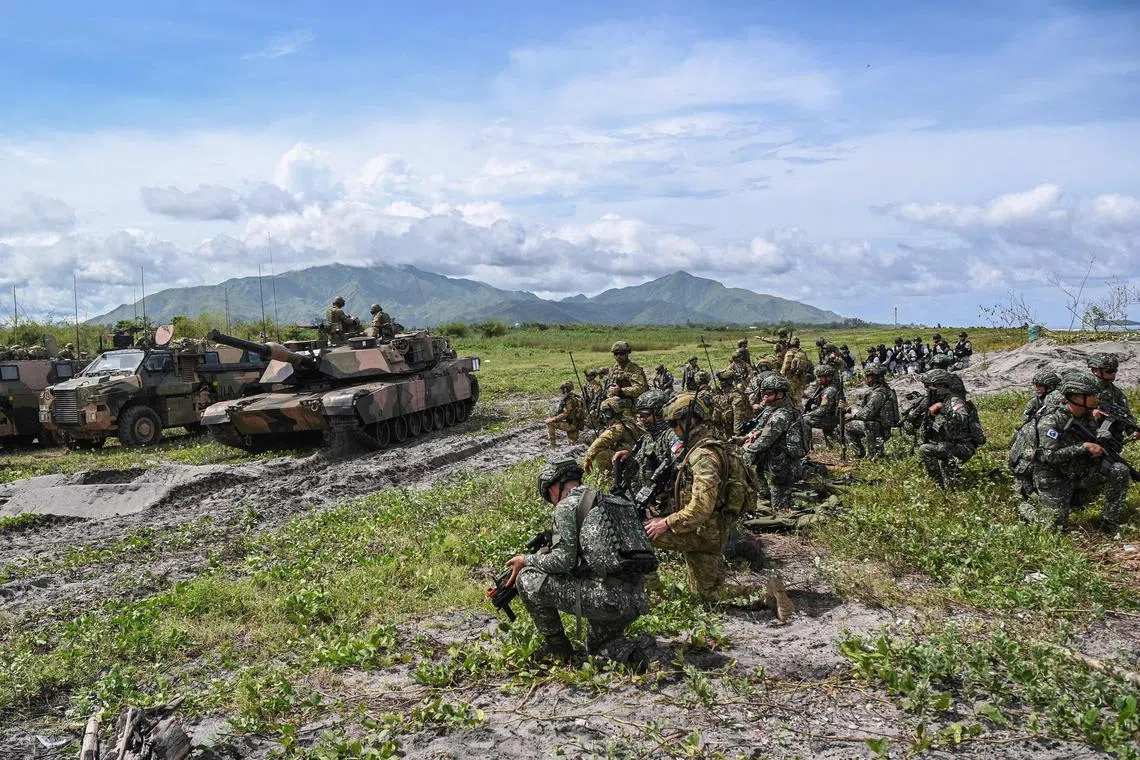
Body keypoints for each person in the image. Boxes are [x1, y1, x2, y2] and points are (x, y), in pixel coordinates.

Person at [644, 394, 789, 613]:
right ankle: (765, 593)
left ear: (689, 421)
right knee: (708, 594)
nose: (672, 430)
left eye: (674, 424)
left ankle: (652, 600)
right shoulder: (712, 443)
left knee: (638, 534)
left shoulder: (703, 455)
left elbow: (701, 507)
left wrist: (665, 523)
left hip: (702, 531)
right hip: (713, 529)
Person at [503, 458, 649, 666]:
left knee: (528, 579)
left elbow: (563, 561)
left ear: (553, 488)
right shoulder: (610, 500)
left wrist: (527, 559)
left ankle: (558, 650)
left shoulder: (566, 506)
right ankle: (631, 655)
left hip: (606, 599)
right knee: (599, 646)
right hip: (635, 599)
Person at [1025, 373, 1130, 531]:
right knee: (1053, 527)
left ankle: (1109, 521)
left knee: (1119, 470)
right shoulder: (1051, 421)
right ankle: (1025, 507)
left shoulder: (1086, 416)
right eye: (1092, 395)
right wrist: (1084, 447)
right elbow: (1049, 456)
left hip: (1078, 470)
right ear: (1077, 398)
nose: (1097, 398)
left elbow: (1093, 438)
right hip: (1054, 476)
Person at [741, 374, 809, 511]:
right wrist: (746, 437)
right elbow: (760, 428)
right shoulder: (772, 409)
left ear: (781, 394)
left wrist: (747, 451)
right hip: (776, 459)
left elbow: (765, 440)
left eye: (769, 394)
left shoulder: (781, 415)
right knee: (756, 467)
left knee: (780, 508)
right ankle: (765, 494)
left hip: (782, 465)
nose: (765, 397)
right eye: (764, 394)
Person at [912, 369, 982, 489]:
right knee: (952, 485)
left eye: (929, 387)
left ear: (940, 385)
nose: (927, 391)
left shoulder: (954, 401)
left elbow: (961, 419)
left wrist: (942, 408)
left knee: (925, 450)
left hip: (963, 446)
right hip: (949, 444)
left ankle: (937, 486)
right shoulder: (936, 400)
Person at [613, 390, 678, 515]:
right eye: (639, 415)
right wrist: (629, 456)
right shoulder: (647, 438)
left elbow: (678, 469)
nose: (641, 419)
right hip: (647, 502)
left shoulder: (671, 436)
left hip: (666, 507)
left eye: (645, 415)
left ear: (659, 414)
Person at [1008, 370, 1061, 498]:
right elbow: (1025, 423)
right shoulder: (1034, 402)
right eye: (1036, 385)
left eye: (1040, 386)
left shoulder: (1059, 401)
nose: (1036, 389)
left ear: (1050, 387)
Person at [844, 365, 897, 459]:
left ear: (874, 378)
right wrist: (850, 409)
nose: (866, 379)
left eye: (868, 376)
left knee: (847, 426)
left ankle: (861, 454)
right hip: (882, 426)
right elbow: (864, 408)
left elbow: (867, 414)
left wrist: (853, 416)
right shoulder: (883, 390)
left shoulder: (879, 393)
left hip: (879, 427)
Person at [584, 398, 643, 481]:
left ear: (608, 413)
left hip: (629, 459)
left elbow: (600, 442)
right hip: (635, 455)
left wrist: (588, 459)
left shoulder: (619, 427)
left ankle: (607, 480)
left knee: (601, 454)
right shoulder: (629, 420)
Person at [803, 364, 844, 446]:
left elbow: (822, 410)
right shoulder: (825, 387)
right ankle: (831, 443)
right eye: (818, 377)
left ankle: (807, 446)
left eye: (821, 377)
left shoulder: (829, 390)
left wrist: (808, 414)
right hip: (830, 417)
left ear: (828, 377)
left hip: (833, 419)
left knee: (805, 420)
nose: (818, 379)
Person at [607, 341, 648, 419]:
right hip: (616, 402)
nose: (618, 356)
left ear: (627, 353)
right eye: (616, 354)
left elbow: (640, 389)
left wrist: (621, 391)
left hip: (631, 404)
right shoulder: (615, 368)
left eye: (621, 353)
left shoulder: (633, 369)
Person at [545, 381, 585, 446]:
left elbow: (566, 413)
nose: (561, 390)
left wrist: (553, 419)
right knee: (572, 443)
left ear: (566, 389)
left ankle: (552, 444)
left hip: (571, 424)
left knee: (549, 423)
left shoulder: (569, 400)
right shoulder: (576, 397)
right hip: (576, 424)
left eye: (562, 388)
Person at [780, 337, 812, 407]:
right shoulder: (802, 352)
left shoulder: (790, 353)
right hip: (801, 377)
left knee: (791, 396)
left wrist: (782, 375)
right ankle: (800, 409)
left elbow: (786, 366)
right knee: (799, 396)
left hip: (791, 378)